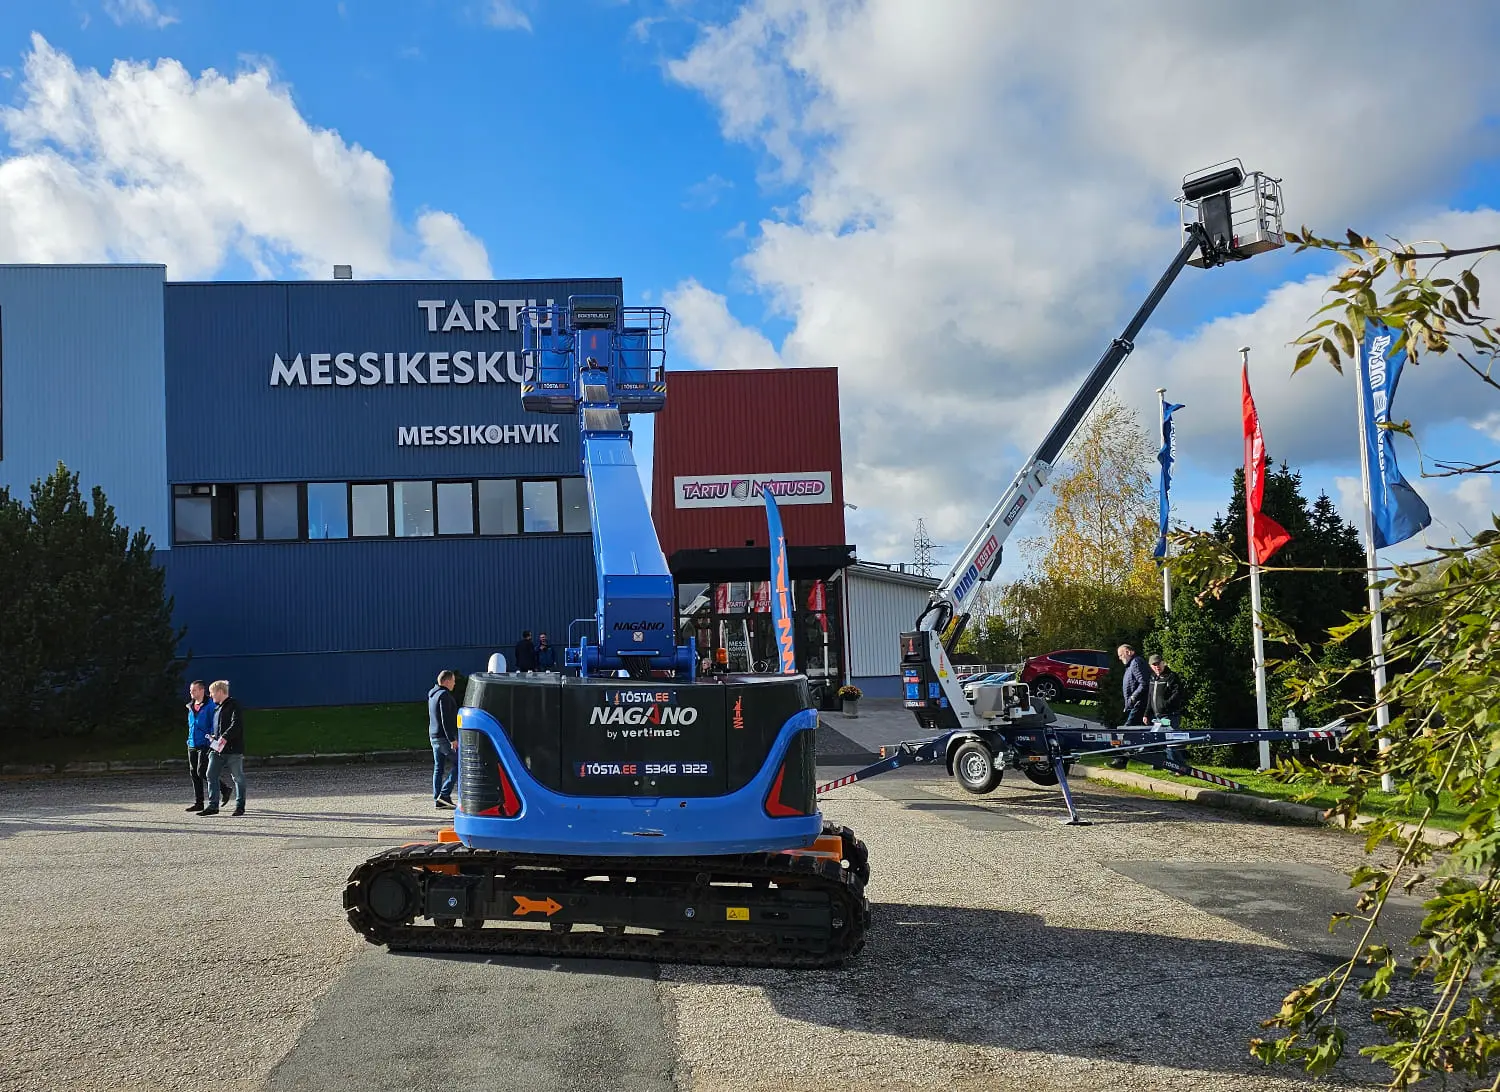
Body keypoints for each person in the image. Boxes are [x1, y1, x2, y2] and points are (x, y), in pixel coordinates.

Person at [200, 680, 245, 816]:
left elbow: (236, 724)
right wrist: (214, 737)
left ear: (220, 692)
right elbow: (219, 728)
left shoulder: (234, 705)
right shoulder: (217, 708)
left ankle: (240, 806)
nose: (210, 695)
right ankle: (213, 806)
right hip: (217, 749)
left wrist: (224, 737)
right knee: (210, 774)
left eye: (212, 692)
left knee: (238, 777)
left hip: (233, 749)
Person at [1111, 644, 1151, 769]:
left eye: (1121, 655)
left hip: (1139, 704)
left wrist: (1133, 697)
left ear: (1128, 652)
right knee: (1138, 733)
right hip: (1135, 704)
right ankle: (1123, 760)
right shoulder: (1131, 665)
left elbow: (1144, 683)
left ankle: (1120, 760)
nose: (1120, 658)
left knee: (1125, 732)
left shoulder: (1136, 663)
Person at [184, 680, 221, 812]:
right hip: (192, 743)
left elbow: (215, 723)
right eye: (190, 690)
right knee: (194, 773)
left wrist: (211, 737)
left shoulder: (210, 705)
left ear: (201, 690)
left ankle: (223, 788)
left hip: (205, 743)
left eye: (194, 690)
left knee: (202, 771)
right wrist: (189, 739)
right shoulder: (191, 706)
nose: (191, 693)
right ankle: (199, 802)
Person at [1147, 653, 1189, 767]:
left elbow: (1177, 693)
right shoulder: (1153, 678)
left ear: (1163, 663)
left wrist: (1166, 705)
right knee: (1157, 739)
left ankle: (1179, 766)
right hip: (1158, 716)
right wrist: (1147, 713)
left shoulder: (1171, 676)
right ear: (1150, 666)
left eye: (1158, 664)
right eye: (1154, 665)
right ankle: (1162, 764)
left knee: (1171, 742)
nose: (1157, 667)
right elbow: (1150, 697)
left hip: (1170, 715)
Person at [429, 670, 459, 809]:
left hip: (434, 736)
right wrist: (452, 739)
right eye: (453, 681)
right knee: (460, 765)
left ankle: (438, 798)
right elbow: (445, 719)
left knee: (438, 768)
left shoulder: (433, 694)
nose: (454, 683)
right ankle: (445, 795)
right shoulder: (444, 695)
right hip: (444, 738)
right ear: (447, 681)